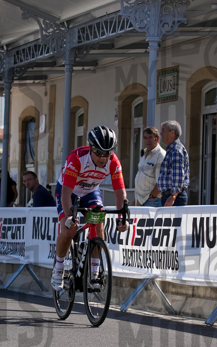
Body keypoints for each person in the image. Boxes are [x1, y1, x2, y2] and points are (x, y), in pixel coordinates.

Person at [51, 125, 128, 292]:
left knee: (98, 219)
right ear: (91, 149)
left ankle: (95, 271)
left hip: (91, 192)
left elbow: (120, 192)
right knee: (69, 229)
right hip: (68, 192)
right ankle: (58, 266)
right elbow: (66, 193)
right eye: (99, 153)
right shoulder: (77, 158)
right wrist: (70, 216)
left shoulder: (113, 162)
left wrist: (122, 217)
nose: (103, 158)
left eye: (107, 153)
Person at [157, 120, 190, 207]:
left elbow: (178, 176)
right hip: (169, 195)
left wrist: (172, 196)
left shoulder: (176, 151)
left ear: (172, 132)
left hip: (175, 197)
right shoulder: (171, 149)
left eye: (163, 130)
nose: (161, 133)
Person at [134, 126, 165, 206]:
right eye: (145, 138)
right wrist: (136, 200)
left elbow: (160, 182)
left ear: (157, 139)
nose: (147, 140)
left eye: (150, 137)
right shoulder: (144, 154)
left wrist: (151, 197)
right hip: (140, 200)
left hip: (152, 201)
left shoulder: (160, 155)